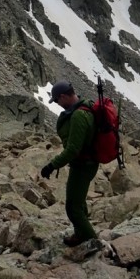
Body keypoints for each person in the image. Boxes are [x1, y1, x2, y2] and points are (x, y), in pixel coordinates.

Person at [41, 80, 99, 246]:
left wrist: (52, 165)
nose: (58, 104)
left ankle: (91, 241)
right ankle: (80, 234)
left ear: (64, 96)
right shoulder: (85, 107)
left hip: (83, 165)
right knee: (79, 203)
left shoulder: (79, 115)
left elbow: (73, 149)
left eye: (57, 101)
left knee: (73, 207)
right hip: (88, 163)